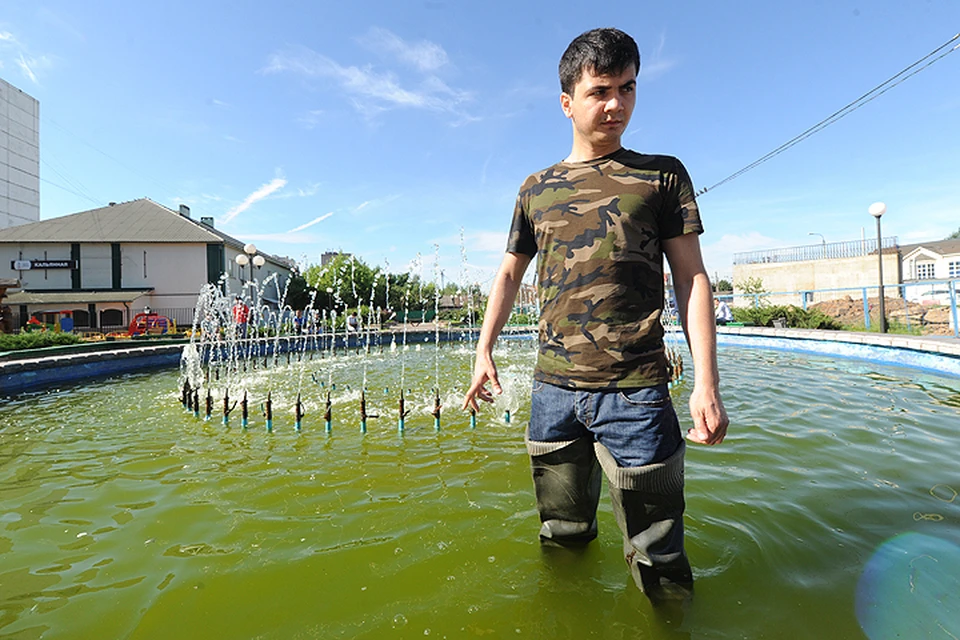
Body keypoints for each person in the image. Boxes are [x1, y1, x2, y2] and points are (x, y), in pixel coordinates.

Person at [462, 27, 728, 600]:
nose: (617, 105)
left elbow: (692, 276)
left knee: (660, 557)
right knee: (562, 537)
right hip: (553, 393)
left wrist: (706, 382)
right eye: (600, 90)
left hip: (637, 395)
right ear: (567, 102)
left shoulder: (662, 175)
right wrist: (483, 350)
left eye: (628, 88)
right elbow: (509, 273)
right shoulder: (536, 189)